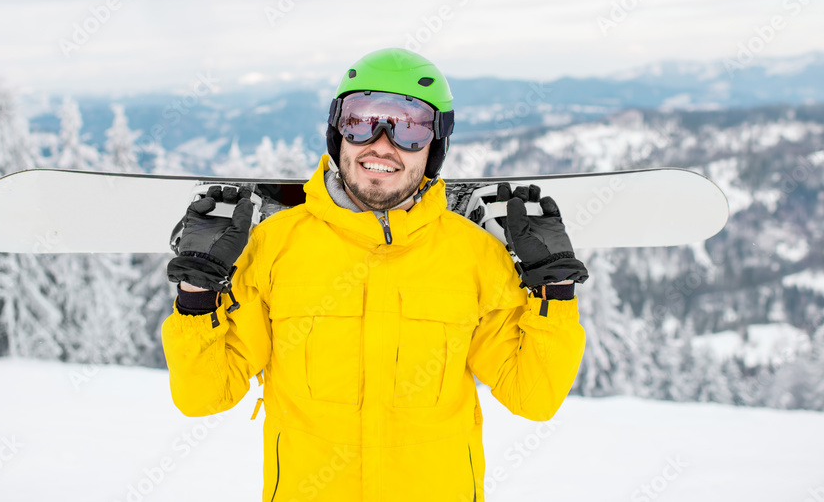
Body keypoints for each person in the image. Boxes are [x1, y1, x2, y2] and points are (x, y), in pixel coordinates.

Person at [161, 48, 588, 502]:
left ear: (434, 146)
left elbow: (534, 396)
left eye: (410, 128)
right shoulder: (275, 247)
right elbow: (202, 396)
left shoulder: (474, 255)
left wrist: (553, 291)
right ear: (337, 132)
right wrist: (197, 290)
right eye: (361, 121)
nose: (381, 144)